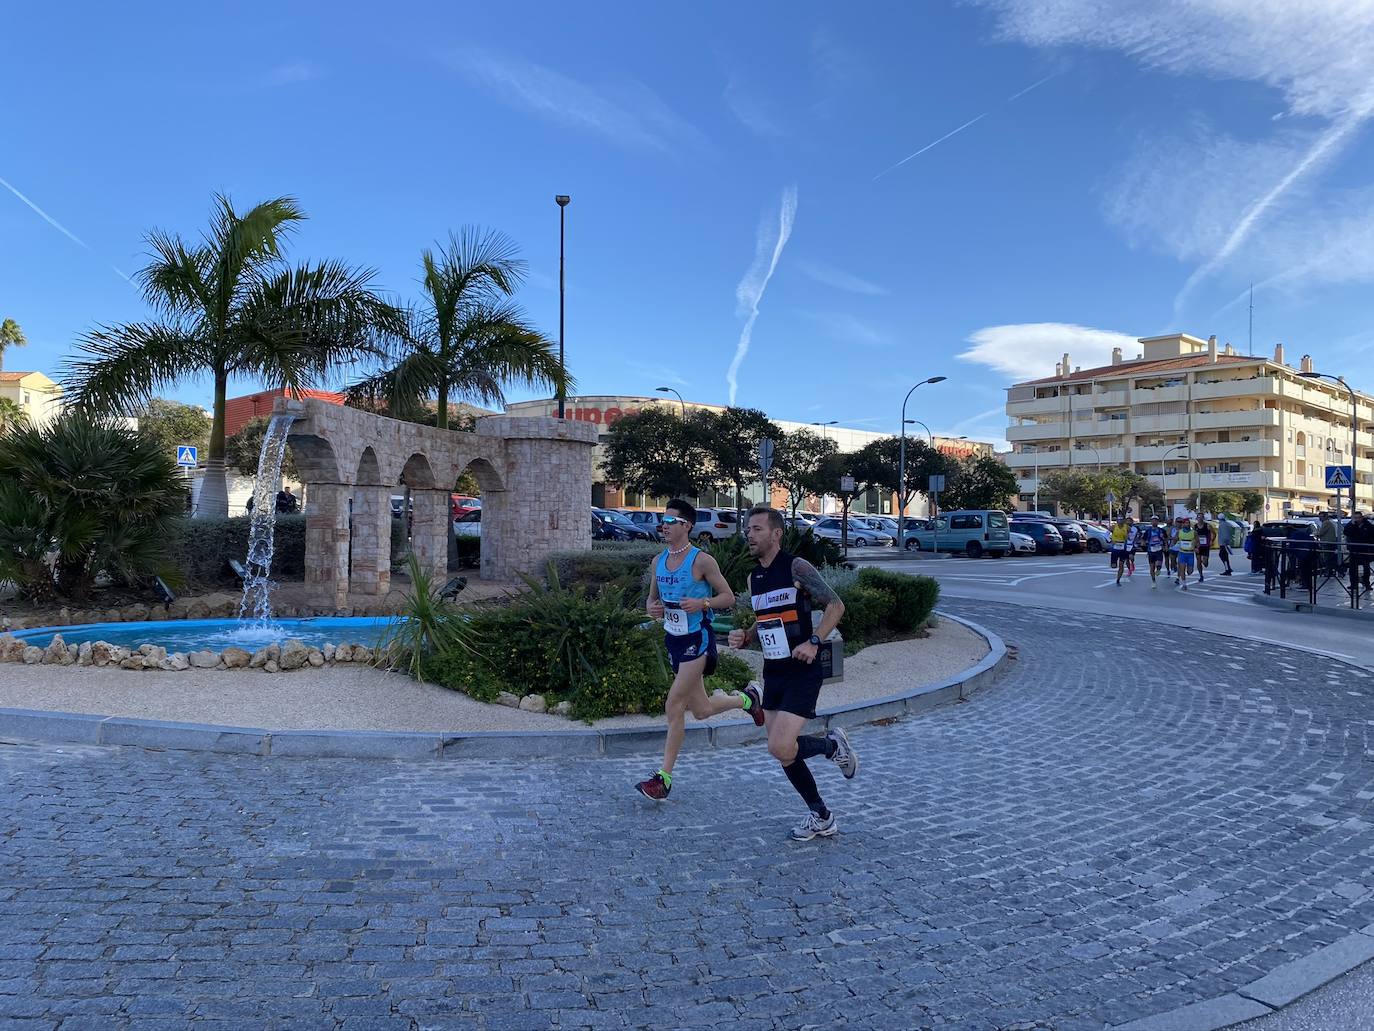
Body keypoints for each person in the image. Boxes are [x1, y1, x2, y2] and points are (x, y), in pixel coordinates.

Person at [728, 506, 855, 841]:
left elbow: (836, 605)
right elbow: (767, 616)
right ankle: (822, 811)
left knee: (780, 745)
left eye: (756, 529)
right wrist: (747, 636)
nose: (749, 535)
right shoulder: (753, 577)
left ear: (776, 533)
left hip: (802, 669)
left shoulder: (796, 566)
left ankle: (831, 752)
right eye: (748, 530)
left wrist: (814, 641)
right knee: (781, 749)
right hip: (775, 670)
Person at [636, 500, 762, 802]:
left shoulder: (701, 561)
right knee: (703, 710)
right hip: (674, 640)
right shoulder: (658, 561)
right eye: (662, 520)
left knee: (674, 703)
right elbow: (652, 603)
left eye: (670, 520)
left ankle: (662, 779)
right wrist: (653, 609)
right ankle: (748, 699)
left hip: (698, 640)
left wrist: (702, 603)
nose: (664, 525)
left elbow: (728, 597)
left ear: (687, 525)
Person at [1343, 511, 1373, 594]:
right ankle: (1353, 584)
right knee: (1353, 568)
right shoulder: (1351, 525)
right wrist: (1352, 525)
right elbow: (1346, 532)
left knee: (1366, 568)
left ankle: (1367, 583)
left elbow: (1371, 536)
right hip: (1354, 550)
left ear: (1362, 517)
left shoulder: (1368, 525)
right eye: (1355, 518)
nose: (1357, 519)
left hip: (1365, 550)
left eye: (1359, 517)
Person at [1142, 516, 1168, 588]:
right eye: (1153, 521)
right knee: (1151, 567)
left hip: (1159, 549)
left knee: (1158, 563)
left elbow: (1165, 539)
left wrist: (1166, 546)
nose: (1154, 522)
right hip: (1151, 550)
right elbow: (1143, 539)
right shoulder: (1148, 531)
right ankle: (1153, 581)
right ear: (1151, 522)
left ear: (1158, 522)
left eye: (1155, 521)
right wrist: (1143, 544)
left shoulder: (1161, 530)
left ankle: (1159, 569)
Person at [1175, 517, 1198, 589]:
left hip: (1190, 553)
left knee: (1190, 571)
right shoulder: (1179, 532)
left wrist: (1197, 548)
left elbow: (1198, 542)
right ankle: (1184, 584)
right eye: (1185, 523)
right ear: (1183, 524)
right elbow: (1175, 540)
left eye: (1188, 523)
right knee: (1182, 568)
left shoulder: (1194, 532)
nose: (1187, 524)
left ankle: (1186, 574)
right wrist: (1173, 544)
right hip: (1182, 553)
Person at [1315, 512, 1340, 577]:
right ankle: (1332, 571)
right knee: (1330, 558)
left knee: (1327, 558)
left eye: (1321, 516)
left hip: (1327, 543)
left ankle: (1332, 571)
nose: (1320, 518)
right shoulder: (1328, 523)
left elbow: (1321, 533)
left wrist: (1315, 534)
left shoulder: (1326, 523)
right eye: (1319, 516)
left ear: (1326, 517)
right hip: (1330, 543)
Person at [1109, 515, 1130, 585]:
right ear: (1117, 520)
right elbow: (1107, 534)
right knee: (1113, 566)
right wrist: (1111, 540)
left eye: (1121, 520)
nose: (1120, 521)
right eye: (1119, 520)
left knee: (1121, 565)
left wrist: (1128, 539)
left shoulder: (1127, 527)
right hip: (1115, 548)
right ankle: (1114, 563)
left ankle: (1118, 579)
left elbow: (1130, 536)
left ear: (1123, 520)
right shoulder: (1113, 527)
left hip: (1123, 548)